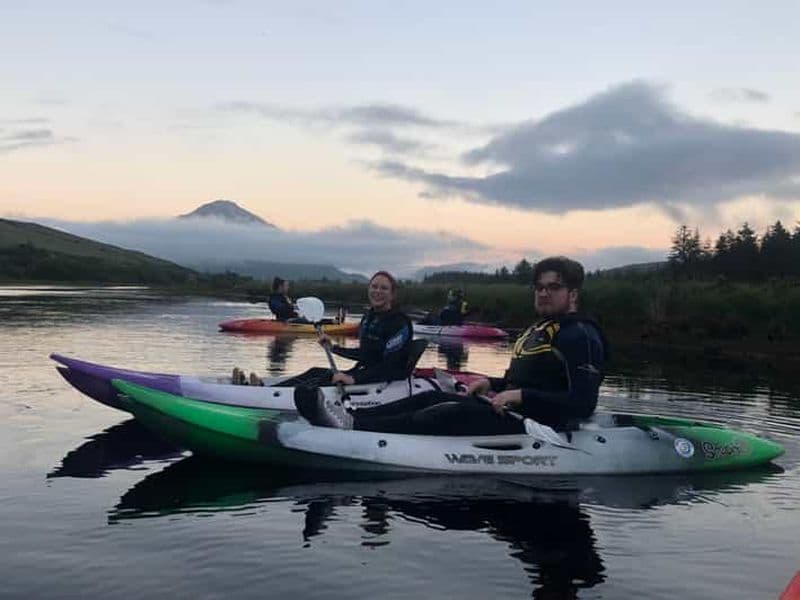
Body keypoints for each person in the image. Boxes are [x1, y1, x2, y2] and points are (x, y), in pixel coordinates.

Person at [296, 256, 609, 433]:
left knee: (447, 410)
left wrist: (519, 394)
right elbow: (523, 382)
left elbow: (583, 404)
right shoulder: (542, 328)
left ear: (573, 295)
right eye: (539, 287)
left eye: (553, 288)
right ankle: (355, 421)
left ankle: (357, 429)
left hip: (537, 423)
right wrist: (491, 382)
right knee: (431, 395)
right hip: (508, 408)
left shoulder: (581, 335)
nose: (543, 293)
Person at [317, 270, 413, 386]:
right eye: (374, 287)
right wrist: (333, 348)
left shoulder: (399, 323)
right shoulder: (368, 317)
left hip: (385, 380)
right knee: (315, 372)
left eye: (384, 288)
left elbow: (390, 365)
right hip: (364, 373)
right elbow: (365, 354)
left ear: (392, 295)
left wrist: (354, 379)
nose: (377, 291)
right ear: (368, 290)